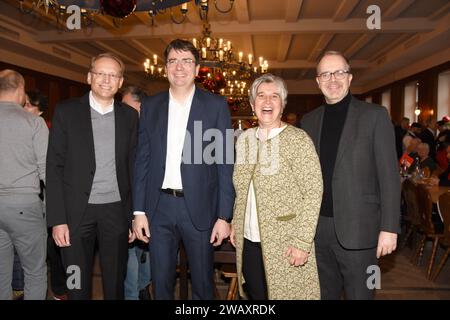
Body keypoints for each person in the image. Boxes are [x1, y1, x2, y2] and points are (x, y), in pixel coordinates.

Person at [132, 39, 235, 300]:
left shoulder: (215, 106)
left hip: (200, 209)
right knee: (161, 283)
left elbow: (225, 164)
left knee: (202, 284)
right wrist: (139, 211)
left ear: (197, 67)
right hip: (159, 208)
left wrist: (224, 216)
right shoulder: (151, 106)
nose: (179, 67)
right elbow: (142, 160)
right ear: (165, 67)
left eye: (186, 61)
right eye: (173, 61)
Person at [301, 51, 401, 300]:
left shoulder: (375, 116)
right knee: (324, 295)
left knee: (360, 295)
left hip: (360, 228)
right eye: (325, 74)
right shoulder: (308, 121)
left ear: (350, 77)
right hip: (317, 229)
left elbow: (389, 176)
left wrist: (389, 227)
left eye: (339, 72)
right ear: (317, 81)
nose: (332, 79)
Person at [46, 53, 139, 299]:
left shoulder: (129, 117)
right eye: (100, 73)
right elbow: (53, 166)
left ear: (120, 82)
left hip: (116, 212)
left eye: (113, 75)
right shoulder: (66, 112)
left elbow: (133, 167)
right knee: (76, 282)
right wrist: (57, 219)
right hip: (76, 213)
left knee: (114, 282)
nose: (106, 80)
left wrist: (132, 215)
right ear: (89, 77)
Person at [230, 74, 323, 299]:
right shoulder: (245, 139)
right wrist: (236, 221)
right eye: (261, 96)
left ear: (282, 104)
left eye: (274, 96)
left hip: (286, 242)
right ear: (253, 104)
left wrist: (302, 242)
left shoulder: (298, 140)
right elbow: (241, 188)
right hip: (249, 241)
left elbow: (314, 192)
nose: (267, 102)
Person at [0, 69, 48, 300]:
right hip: (24, 206)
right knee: (35, 272)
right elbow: (46, 170)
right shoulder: (33, 122)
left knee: (1, 271)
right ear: (20, 90)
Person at [120, 86, 152, 300]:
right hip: (125, 208)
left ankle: (142, 290)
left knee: (144, 259)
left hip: (149, 209)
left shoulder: (151, 132)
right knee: (129, 261)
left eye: (126, 107)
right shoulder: (123, 131)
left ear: (140, 107)